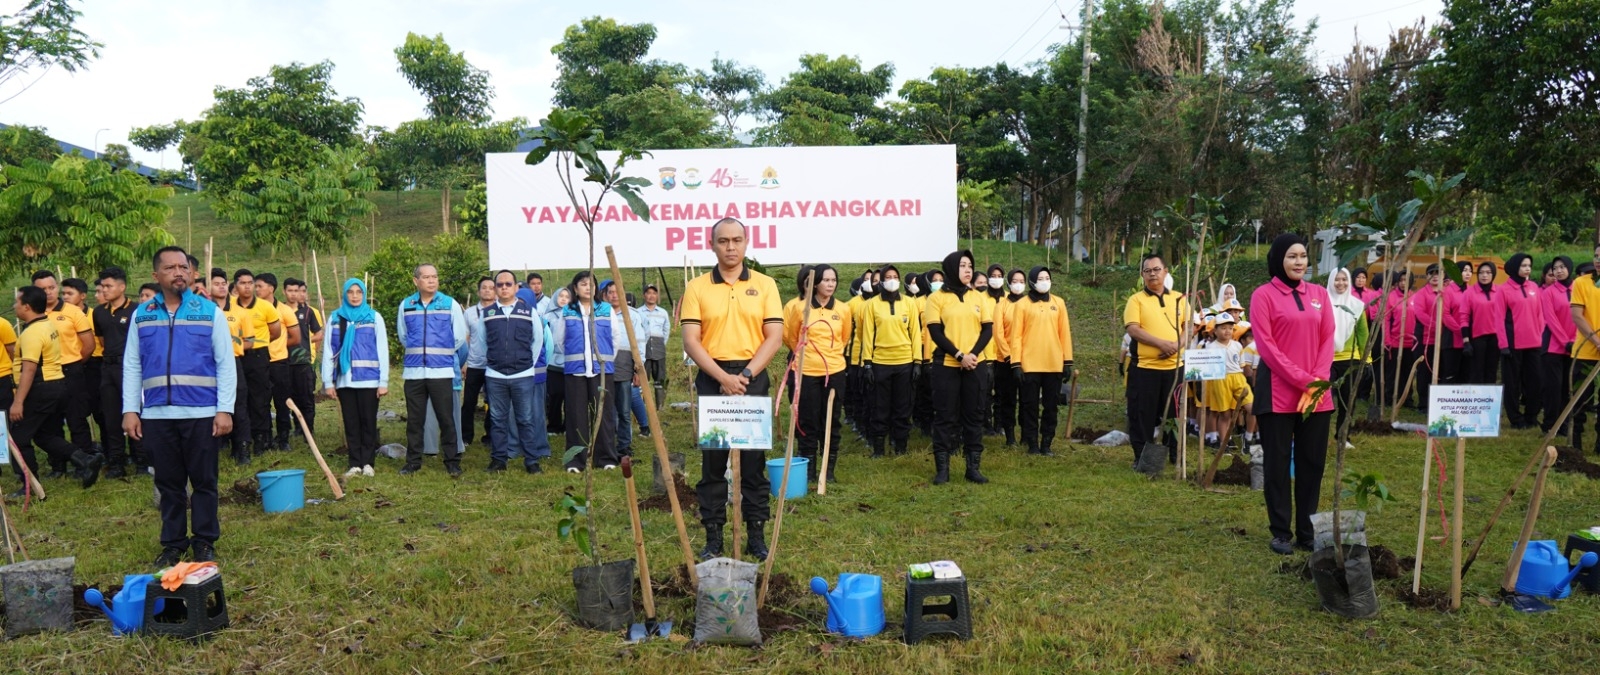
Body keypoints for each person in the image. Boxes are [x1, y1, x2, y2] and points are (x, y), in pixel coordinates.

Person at [123, 246, 236, 567]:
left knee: (204, 482)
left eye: (184, 267)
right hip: (158, 414)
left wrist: (224, 408)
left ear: (192, 272)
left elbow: (225, 364)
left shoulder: (208, 311)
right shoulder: (142, 315)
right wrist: (130, 409)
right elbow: (132, 364)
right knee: (169, 484)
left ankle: (204, 541)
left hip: (202, 414)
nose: (179, 273)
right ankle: (173, 543)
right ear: (156, 276)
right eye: (171, 268)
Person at [681, 218, 785, 560]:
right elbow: (691, 341)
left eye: (737, 240)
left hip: (752, 378)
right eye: (723, 241)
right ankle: (713, 536)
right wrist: (723, 378)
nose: (730, 247)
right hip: (713, 379)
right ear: (712, 245)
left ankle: (756, 532)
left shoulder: (765, 284)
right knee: (713, 462)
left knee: (754, 461)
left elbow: (774, 336)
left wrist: (746, 375)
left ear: (746, 242)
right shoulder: (697, 287)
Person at [1250, 234, 1335, 555]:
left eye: (1303, 256)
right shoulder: (1263, 295)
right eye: (1291, 256)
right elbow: (1267, 348)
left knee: (1312, 463)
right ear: (1278, 260)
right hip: (1277, 394)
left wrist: (1319, 382)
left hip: (1318, 394)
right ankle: (1281, 532)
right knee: (1277, 462)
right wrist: (1304, 381)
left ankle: (1307, 531)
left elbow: (1328, 338)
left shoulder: (1319, 294)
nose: (1299, 262)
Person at [12, 285, 102, 495]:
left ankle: (29, 486)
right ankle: (85, 459)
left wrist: (18, 401)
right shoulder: (47, 324)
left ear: (26, 306)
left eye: (16, 302)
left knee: (19, 437)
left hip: (40, 387)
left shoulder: (32, 333)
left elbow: (30, 369)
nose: (14, 306)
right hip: (56, 385)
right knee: (43, 435)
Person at [925, 250, 995, 484]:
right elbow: (935, 332)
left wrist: (973, 355)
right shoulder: (936, 299)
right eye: (963, 265)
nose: (968, 270)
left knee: (974, 415)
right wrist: (958, 355)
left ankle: (972, 468)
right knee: (945, 416)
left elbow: (987, 329)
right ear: (952, 268)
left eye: (970, 266)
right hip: (947, 364)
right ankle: (942, 470)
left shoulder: (979, 298)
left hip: (976, 364)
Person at [396, 263, 468, 476]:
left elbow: (459, 336)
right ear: (415, 280)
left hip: (441, 372)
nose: (432, 281)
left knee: (446, 419)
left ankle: (452, 461)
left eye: (435, 277)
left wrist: (440, 353)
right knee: (415, 419)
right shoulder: (406, 305)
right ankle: (413, 461)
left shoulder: (449, 303)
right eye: (426, 277)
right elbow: (403, 336)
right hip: (414, 372)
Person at [784, 264, 850, 482]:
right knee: (808, 420)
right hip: (805, 372)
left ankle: (828, 469)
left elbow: (844, 337)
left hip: (835, 371)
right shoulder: (799, 307)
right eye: (826, 280)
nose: (830, 284)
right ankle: (809, 469)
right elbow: (791, 337)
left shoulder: (842, 309)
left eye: (834, 280)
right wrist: (807, 355)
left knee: (831, 420)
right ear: (815, 283)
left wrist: (831, 356)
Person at [1124, 253, 1189, 467]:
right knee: (1142, 414)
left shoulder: (1179, 298)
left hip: (1174, 368)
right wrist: (1161, 344)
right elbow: (1133, 329)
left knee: (1174, 413)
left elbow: (1189, 327)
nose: (1152, 273)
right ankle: (1142, 458)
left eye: (1156, 269)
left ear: (1166, 271)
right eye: (1148, 270)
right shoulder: (1136, 300)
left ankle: (1174, 455)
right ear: (1143, 275)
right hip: (1145, 369)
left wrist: (1176, 346)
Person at [484, 270, 551, 473]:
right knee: (497, 420)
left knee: (526, 419)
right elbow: (481, 342)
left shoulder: (528, 312)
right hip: (495, 375)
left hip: (522, 375)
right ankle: (499, 460)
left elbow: (537, 341)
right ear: (496, 288)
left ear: (515, 287)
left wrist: (525, 363)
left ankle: (532, 461)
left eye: (508, 284)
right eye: (500, 284)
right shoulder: (487, 314)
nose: (504, 287)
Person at [322, 279, 389, 477]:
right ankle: (355, 463)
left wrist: (383, 381)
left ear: (364, 294)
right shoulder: (335, 318)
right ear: (345, 294)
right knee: (351, 422)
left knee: (367, 421)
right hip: (345, 381)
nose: (354, 295)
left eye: (358, 292)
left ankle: (368, 462)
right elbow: (328, 351)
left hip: (369, 380)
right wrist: (328, 382)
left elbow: (382, 350)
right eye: (350, 292)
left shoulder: (373, 317)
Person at [32, 270, 95, 473]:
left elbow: (88, 345)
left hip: (72, 371)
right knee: (51, 420)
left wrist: (74, 364)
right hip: (46, 374)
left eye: (52, 287)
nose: (49, 293)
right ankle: (58, 466)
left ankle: (84, 463)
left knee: (76, 418)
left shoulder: (73, 311)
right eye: (43, 289)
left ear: (57, 287)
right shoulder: (34, 313)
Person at [1008, 266, 1073, 457]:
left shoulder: (1058, 303)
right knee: (1029, 406)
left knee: (1051, 406)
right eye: (1041, 278)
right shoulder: (1022, 305)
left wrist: (1067, 361)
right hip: (1030, 364)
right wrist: (1016, 363)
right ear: (1032, 281)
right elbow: (1016, 336)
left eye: (1047, 277)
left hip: (1053, 363)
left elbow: (1064, 333)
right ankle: (1032, 444)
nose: (1045, 281)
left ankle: (1047, 442)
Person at [558, 271, 619, 472]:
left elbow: (615, 338)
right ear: (575, 288)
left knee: (603, 414)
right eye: (582, 284)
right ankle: (576, 460)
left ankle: (606, 458)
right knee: (576, 416)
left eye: (591, 283)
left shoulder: (606, 309)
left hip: (602, 371)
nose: (587, 287)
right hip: (575, 372)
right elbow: (560, 340)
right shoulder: (567, 310)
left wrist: (604, 358)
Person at [859, 263, 921, 457]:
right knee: (880, 407)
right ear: (882, 281)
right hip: (880, 363)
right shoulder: (872, 304)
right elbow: (867, 335)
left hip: (905, 363)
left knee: (902, 407)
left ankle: (901, 447)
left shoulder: (909, 303)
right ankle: (879, 448)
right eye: (888, 277)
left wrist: (917, 361)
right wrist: (867, 363)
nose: (891, 280)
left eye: (895, 276)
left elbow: (916, 333)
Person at [92, 267, 140, 478]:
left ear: (122, 287)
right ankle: (116, 461)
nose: (105, 290)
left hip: (130, 367)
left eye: (109, 286)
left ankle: (141, 459)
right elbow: (102, 341)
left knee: (136, 413)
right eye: (102, 286)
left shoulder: (137, 311)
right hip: (107, 367)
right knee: (111, 415)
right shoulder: (99, 312)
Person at [232, 269, 281, 456]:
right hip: (236, 355)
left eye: (250, 283)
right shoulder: (230, 307)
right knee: (238, 398)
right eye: (242, 283)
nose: (247, 286)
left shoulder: (265, 307)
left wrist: (261, 344)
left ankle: (261, 439)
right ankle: (241, 441)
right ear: (236, 285)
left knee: (259, 398)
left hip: (258, 355)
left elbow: (275, 332)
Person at [254, 273, 302, 451]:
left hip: (279, 362)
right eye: (255, 286)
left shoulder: (284, 310)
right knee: (260, 402)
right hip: (258, 362)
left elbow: (295, 338)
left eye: (259, 286)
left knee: (282, 402)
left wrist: (278, 344)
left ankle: (283, 438)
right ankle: (264, 438)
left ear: (271, 288)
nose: (256, 289)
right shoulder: (252, 309)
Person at [1498, 254, 1545, 428]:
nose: (1528, 269)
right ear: (1514, 267)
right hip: (1512, 344)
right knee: (1512, 384)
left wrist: (1540, 336)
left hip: (1534, 343)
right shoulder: (1504, 290)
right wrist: (1503, 344)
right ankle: (1516, 419)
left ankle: (1531, 416)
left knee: (1536, 381)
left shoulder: (1533, 286)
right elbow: (1499, 318)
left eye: (1529, 265)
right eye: (1524, 265)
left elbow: (1540, 314)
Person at [213, 269, 254, 465]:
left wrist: (230, 347)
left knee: (239, 405)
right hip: (208, 364)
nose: (221, 286)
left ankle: (242, 448)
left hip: (233, 362)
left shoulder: (240, 312)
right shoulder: (202, 311)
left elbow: (250, 341)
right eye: (215, 283)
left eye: (223, 283)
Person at [1410, 263, 1463, 407]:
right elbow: (1420, 314)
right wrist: (1438, 326)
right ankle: (1424, 403)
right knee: (1425, 372)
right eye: (1431, 273)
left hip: (1443, 339)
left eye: (1438, 273)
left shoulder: (1446, 291)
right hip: (1426, 338)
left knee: (1441, 371)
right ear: (1427, 276)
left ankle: (1438, 403)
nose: (1434, 276)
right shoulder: (1421, 293)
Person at [1327, 268, 1370, 439]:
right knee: (1323, 402)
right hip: (1326, 359)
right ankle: (1318, 436)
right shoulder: (1322, 303)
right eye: (1337, 279)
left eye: (1344, 279)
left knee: (1348, 402)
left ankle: (1343, 436)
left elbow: (1363, 334)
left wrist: (1367, 360)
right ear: (1331, 281)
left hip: (1350, 359)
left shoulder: (1357, 306)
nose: (1340, 283)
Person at [601, 280, 641, 459]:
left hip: (625, 366)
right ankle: (607, 444)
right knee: (606, 409)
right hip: (604, 367)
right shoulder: (601, 314)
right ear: (605, 295)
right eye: (610, 292)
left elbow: (639, 343)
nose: (614, 295)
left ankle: (624, 444)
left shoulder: (632, 315)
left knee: (624, 410)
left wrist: (638, 369)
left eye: (618, 292)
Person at [1201, 313, 1251, 450]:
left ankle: (1250, 438)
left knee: (1251, 406)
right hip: (1220, 379)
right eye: (1223, 328)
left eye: (1230, 328)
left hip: (1238, 377)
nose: (1227, 331)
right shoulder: (1211, 347)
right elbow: (1206, 368)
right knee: (1225, 413)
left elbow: (1242, 365)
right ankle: (1224, 444)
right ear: (1215, 330)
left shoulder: (1237, 346)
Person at [1568, 245, 1600, 453]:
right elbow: (1577, 315)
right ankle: (1575, 443)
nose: (1598, 260)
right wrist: (1597, 341)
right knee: (1580, 398)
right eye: (1596, 256)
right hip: (1586, 351)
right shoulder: (1581, 282)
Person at [1539, 256, 1575, 436]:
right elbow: (1551, 320)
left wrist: (1575, 341)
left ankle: (1565, 423)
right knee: (1553, 388)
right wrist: (1565, 341)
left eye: (1562, 267)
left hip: (1575, 346)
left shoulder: (1577, 288)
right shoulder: (1549, 292)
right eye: (1555, 268)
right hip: (1554, 347)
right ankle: (1550, 424)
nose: (1558, 271)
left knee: (1568, 388)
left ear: (1569, 268)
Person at [282, 278, 322, 439]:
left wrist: (305, 341)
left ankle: (308, 430)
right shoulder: (279, 310)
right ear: (284, 292)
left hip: (303, 361)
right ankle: (297, 427)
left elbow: (318, 334)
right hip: (283, 360)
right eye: (290, 290)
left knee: (306, 396)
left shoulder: (307, 312)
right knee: (290, 396)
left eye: (296, 291)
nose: (293, 294)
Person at [991, 269, 1026, 446]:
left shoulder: (1030, 304)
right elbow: (998, 334)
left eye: (1021, 280)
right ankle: (1010, 436)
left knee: (1028, 399)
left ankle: (1027, 435)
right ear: (1009, 283)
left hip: (1027, 361)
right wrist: (1009, 357)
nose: (1018, 284)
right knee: (1008, 399)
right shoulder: (1001, 306)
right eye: (1015, 280)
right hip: (1006, 362)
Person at [461, 277, 496, 447]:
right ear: (479, 291)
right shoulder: (470, 313)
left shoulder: (500, 310)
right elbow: (465, 338)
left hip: (494, 365)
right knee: (469, 402)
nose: (488, 290)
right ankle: (466, 437)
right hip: (474, 364)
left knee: (494, 402)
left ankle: (490, 436)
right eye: (484, 288)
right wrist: (464, 362)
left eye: (491, 287)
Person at [913, 268, 943, 437]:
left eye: (941, 279)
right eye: (935, 279)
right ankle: (926, 424)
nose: (938, 282)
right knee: (926, 391)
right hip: (925, 351)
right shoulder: (918, 302)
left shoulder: (947, 300)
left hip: (944, 351)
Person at [1463, 261, 1502, 385]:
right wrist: (1466, 341)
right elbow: (1464, 317)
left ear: (1493, 274)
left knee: (1491, 370)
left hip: (1495, 337)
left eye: (1488, 272)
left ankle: (1489, 401)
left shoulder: (1500, 291)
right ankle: (1476, 400)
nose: (1484, 275)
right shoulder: (1469, 293)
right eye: (1481, 273)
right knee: (1476, 370)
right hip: (1477, 337)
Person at [636, 284, 672, 416]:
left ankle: (660, 406)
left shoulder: (663, 313)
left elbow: (666, 330)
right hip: (644, 348)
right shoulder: (638, 312)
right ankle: (642, 405)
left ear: (657, 296)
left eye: (654, 293)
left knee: (660, 378)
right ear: (644, 295)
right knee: (643, 378)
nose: (651, 295)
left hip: (658, 348)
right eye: (648, 293)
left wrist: (662, 343)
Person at [542, 287, 571, 435]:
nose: (564, 299)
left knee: (570, 395)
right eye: (561, 296)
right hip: (553, 361)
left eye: (567, 296)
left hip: (570, 360)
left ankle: (568, 426)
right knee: (554, 395)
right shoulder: (547, 316)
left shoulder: (573, 314)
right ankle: (553, 425)